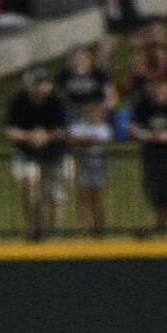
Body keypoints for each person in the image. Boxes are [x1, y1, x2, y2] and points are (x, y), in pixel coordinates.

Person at [4, 67, 70, 241]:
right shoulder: (18, 101)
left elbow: (63, 129)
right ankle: (34, 228)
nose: (38, 88)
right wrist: (29, 136)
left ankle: (54, 232)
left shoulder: (57, 100)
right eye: (34, 84)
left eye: (42, 84)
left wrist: (46, 136)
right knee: (28, 188)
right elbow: (10, 129)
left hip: (54, 153)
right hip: (26, 152)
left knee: (54, 195)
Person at [129, 78, 167, 236]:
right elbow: (133, 128)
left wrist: (164, 136)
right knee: (156, 191)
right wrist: (149, 135)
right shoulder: (143, 105)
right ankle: (159, 224)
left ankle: (160, 225)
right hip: (152, 154)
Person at [67, 101, 112, 238]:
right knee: (84, 197)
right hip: (83, 165)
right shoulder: (78, 126)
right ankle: (85, 226)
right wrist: (90, 141)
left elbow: (102, 140)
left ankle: (100, 227)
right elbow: (72, 139)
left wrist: (84, 141)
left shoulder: (104, 127)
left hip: (99, 166)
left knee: (99, 197)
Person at [56, 46, 117, 116]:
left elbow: (111, 97)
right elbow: (61, 98)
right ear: (70, 61)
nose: (79, 61)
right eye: (75, 58)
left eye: (83, 58)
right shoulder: (63, 76)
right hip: (75, 112)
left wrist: (100, 109)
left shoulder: (100, 74)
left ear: (89, 59)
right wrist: (79, 110)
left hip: (99, 111)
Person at [100, 0, 143, 66]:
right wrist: (113, 11)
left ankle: (105, 65)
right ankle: (105, 65)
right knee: (133, 41)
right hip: (121, 11)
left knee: (134, 42)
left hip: (122, 9)